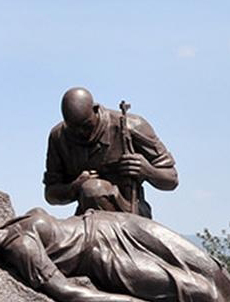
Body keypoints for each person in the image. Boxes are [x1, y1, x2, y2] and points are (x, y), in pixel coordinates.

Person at [0, 207, 230, 302]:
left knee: (204, 263)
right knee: (200, 292)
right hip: (107, 256)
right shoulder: (21, 248)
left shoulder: (7, 225)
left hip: (114, 223)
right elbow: (67, 293)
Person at [43, 87, 178, 218]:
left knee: (93, 188)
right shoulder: (58, 137)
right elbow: (51, 194)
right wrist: (75, 187)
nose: (81, 132)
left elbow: (171, 179)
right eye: (74, 129)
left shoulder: (132, 126)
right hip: (87, 215)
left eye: (86, 125)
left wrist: (147, 171)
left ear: (95, 109)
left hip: (130, 213)